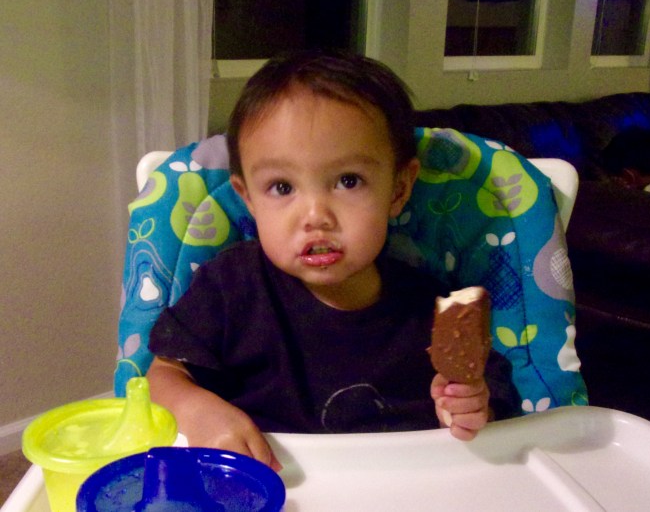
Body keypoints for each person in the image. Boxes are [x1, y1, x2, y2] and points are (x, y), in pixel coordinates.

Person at [146, 50, 520, 471]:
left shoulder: (428, 308)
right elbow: (162, 377)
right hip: (273, 484)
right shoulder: (230, 288)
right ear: (248, 198)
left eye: (348, 181)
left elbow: (494, 393)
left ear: (399, 189)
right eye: (282, 187)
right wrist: (197, 412)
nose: (315, 216)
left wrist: (471, 405)